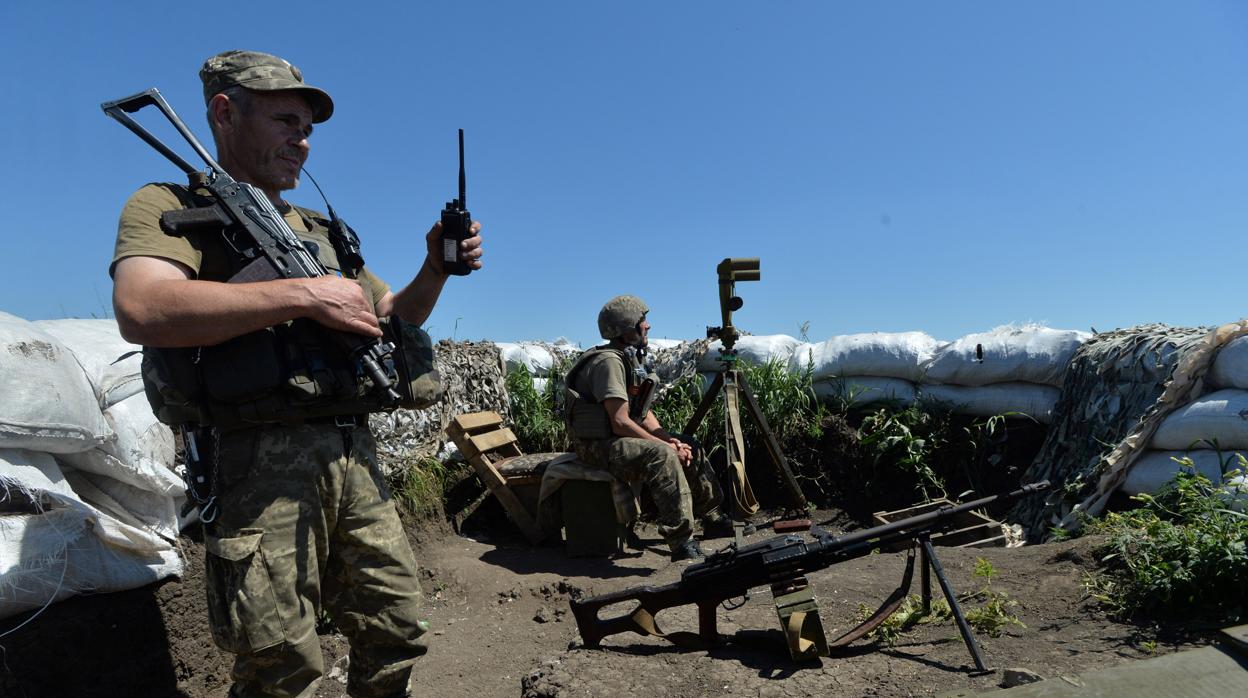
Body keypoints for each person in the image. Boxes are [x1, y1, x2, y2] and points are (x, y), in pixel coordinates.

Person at [109, 50, 482, 698]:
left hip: (353, 456)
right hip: (259, 463)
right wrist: (304, 296)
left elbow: (387, 318)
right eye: (286, 121)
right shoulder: (169, 204)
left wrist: (436, 268)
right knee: (279, 664)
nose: (301, 142)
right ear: (225, 113)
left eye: (307, 129)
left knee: (397, 630)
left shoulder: (319, 230)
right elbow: (144, 307)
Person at [564, 295, 730, 561]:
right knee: (662, 456)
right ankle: (681, 542)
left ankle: (713, 517)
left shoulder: (628, 359)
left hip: (615, 439)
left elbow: (642, 413)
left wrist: (671, 441)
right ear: (626, 328)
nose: (648, 326)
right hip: (596, 446)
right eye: (642, 321)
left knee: (689, 445)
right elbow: (620, 421)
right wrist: (665, 447)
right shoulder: (609, 362)